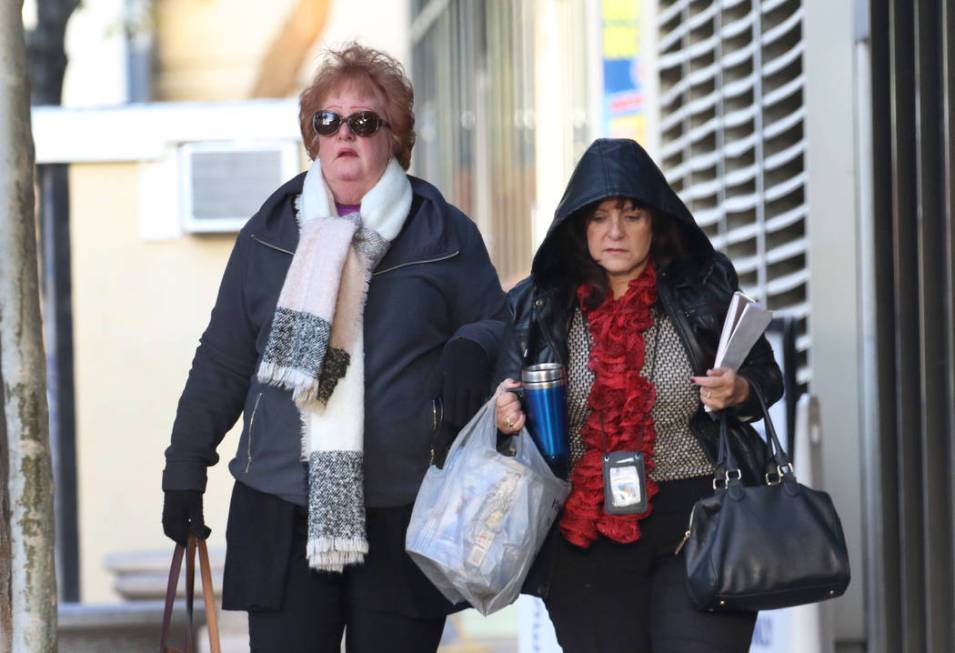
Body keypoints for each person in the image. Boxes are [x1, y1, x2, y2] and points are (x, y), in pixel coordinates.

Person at [161, 43, 506, 652]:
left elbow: (501, 331)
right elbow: (224, 357)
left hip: (406, 508)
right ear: (313, 136)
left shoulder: (445, 235)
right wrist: (185, 467)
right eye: (329, 120)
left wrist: (472, 346)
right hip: (280, 505)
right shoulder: (268, 235)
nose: (345, 133)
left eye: (365, 121)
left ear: (394, 137)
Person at [494, 138, 783, 652]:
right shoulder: (539, 303)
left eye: (631, 216)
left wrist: (737, 390)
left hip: (700, 519)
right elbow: (504, 392)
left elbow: (766, 378)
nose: (615, 232)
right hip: (585, 530)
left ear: (656, 223)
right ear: (579, 226)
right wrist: (506, 411)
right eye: (600, 217)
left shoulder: (705, 287)